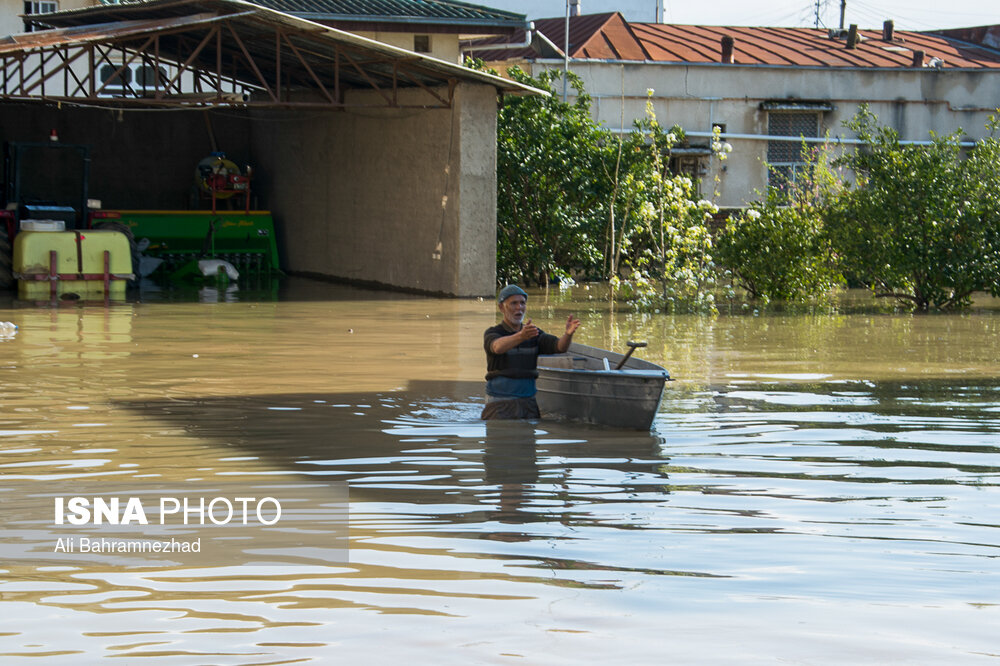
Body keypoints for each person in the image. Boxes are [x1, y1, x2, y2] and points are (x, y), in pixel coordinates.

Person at [481, 285, 581, 420]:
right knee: (500, 439)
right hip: (499, 404)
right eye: (514, 303)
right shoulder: (493, 333)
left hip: (528, 403)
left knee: (529, 440)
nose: (519, 308)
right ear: (501, 308)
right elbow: (497, 347)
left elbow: (559, 347)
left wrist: (568, 334)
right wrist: (521, 336)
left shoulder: (534, 333)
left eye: (522, 303)